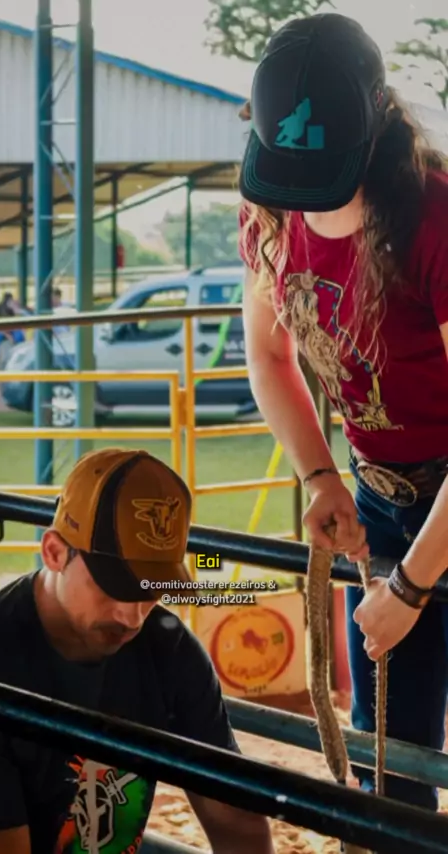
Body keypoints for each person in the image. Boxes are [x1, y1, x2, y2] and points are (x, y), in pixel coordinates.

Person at [238, 11, 448, 812]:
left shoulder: (433, 217)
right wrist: (321, 477)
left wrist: (415, 585)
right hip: (379, 498)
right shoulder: (270, 206)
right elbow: (268, 356)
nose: (304, 200)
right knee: (387, 757)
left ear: (379, 121)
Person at [0, 448, 274, 854]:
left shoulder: (170, 649)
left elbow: (236, 821)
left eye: (152, 590)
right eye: (115, 586)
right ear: (54, 552)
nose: (132, 617)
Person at [0, 291, 26, 370]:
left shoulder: (15, 308)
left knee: (20, 337)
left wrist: (16, 309)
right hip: (0, 329)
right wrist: (8, 335)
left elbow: (19, 322)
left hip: (12, 328)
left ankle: (21, 363)